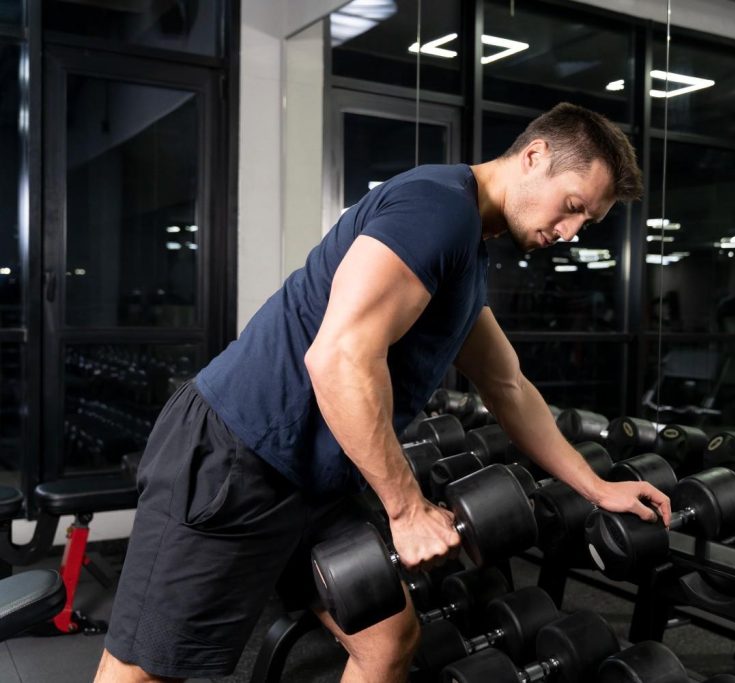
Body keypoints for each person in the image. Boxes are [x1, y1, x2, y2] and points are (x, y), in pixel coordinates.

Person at [93, 102, 671, 683]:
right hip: (239, 456)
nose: (569, 232)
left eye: (586, 222)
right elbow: (338, 359)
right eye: (572, 206)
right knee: (147, 670)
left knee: (388, 639)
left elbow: (508, 385)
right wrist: (407, 509)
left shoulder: (467, 251)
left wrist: (597, 487)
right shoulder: (438, 209)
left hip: (315, 479)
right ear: (535, 156)